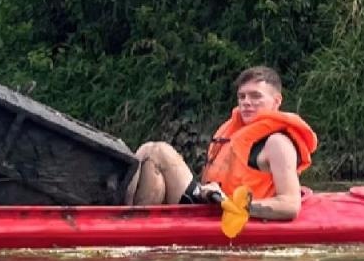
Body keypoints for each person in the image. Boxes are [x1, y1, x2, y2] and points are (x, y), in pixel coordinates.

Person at [125, 66, 318, 221]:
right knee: (148, 156)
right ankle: (131, 223)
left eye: (255, 96)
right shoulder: (233, 130)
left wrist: (230, 203)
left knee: (158, 152)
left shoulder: (278, 143)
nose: (246, 102)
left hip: (226, 211)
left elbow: (290, 205)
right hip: (209, 205)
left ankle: (129, 226)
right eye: (242, 97)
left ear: (277, 101)